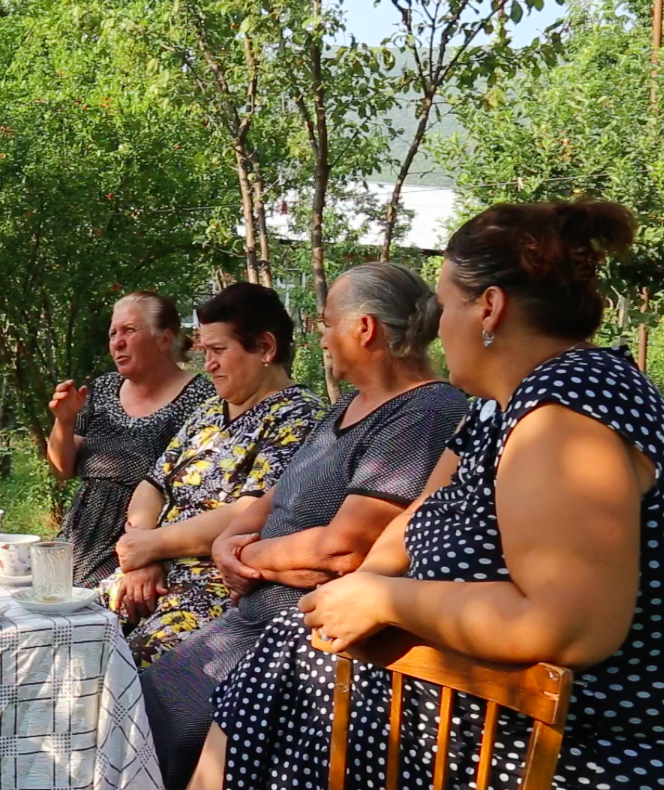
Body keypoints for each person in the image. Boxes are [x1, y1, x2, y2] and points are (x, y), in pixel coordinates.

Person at [208, 200, 664, 790]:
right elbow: (415, 517)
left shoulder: (567, 410)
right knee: (281, 656)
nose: (439, 327)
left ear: (490, 309)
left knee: (277, 675)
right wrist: (355, 590)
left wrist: (384, 599)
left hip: (552, 745)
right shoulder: (492, 410)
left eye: (446, 307)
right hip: (458, 706)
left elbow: (571, 625)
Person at [140, 263, 470, 790]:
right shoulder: (349, 404)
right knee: (139, 708)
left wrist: (245, 557)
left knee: (170, 734)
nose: (321, 336)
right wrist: (226, 542)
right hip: (248, 620)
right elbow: (278, 492)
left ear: (364, 329)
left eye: (327, 323)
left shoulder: (426, 412)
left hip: (300, 641)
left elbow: (342, 550)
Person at [96, 284, 324, 666]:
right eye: (204, 352)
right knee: (61, 634)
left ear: (265, 348)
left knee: (121, 668)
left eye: (218, 351)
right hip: (146, 572)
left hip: (210, 590)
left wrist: (151, 547)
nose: (208, 365)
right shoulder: (209, 412)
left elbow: (250, 513)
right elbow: (152, 485)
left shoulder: (301, 417)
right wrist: (143, 555)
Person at [47, 291, 215, 587]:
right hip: (79, 537)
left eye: (129, 330)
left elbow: (202, 492)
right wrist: (65, 420)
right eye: (113, 333)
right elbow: (62, 470)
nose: (117, 342)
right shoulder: (102, 389)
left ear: (164, 340)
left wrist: (153, 554)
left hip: (145, 549)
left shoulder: (202, 400)